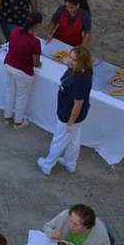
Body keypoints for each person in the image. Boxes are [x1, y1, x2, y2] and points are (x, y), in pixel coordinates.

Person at [38, 46, 93, 176]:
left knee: (59, 140)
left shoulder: (80, 80)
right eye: (70, 57)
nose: (69, 61)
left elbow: (78, 104)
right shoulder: (81, 71)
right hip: (74, 115)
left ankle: (47, 164)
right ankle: (70, 163)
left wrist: (70, 122)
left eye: (74, 60)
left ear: (82, 63)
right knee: (73, 140)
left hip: (69, 115)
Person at [3, 12, 43, 129]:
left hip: (9, 65)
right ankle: (18, 122)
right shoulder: (35, 42)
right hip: (23, 72)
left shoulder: (15, 31)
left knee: (10, 92)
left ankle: (7, 117)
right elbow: (35, 63)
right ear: (37, 25)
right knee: (21, 97)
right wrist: (40, 63)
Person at [43, 204, 115, 245]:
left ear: (87, 227)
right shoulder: (67, 214)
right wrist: (51, 232)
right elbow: (47, 226)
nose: (70, 226)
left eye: (76, 224)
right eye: (70, 221)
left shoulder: (100, 233)